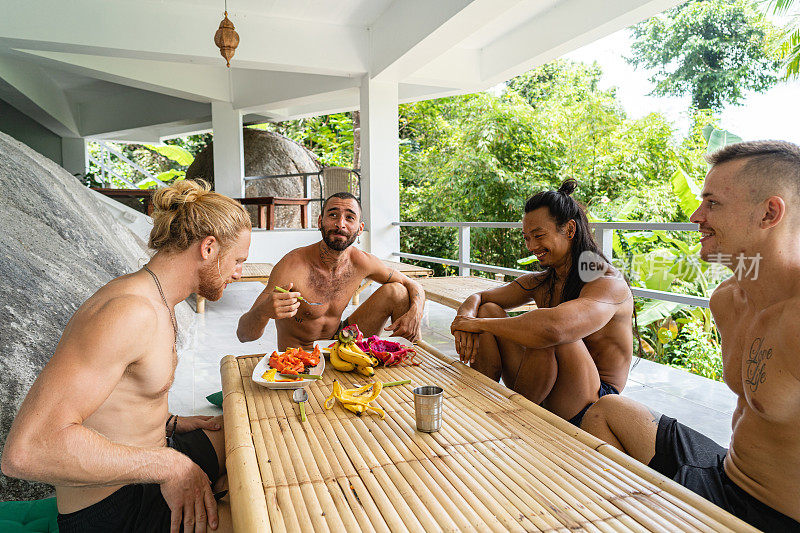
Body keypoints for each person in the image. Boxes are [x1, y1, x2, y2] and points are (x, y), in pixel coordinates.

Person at [2, 180, 252, 533]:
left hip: (154, 454)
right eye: (238, 260)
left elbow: (116, 400)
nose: (239, 273)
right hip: (114, 507)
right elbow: (26, 452)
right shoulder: (129, 312)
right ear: (208, 248)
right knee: (262, 522)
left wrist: (169, 422)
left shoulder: (158, 297)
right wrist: (171, 466)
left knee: (250, 437)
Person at [580, 141, 800, 530]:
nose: (697, 215)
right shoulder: (728, 300)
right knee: (606, 412)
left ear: (769, 213)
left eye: (712, 203)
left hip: (772, 515)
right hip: (725, 472)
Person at [450, 179, 634, 426]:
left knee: (548, 331)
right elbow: (480, 297)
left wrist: (479, 325)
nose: (532, 246)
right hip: (545, 387)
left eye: (539, 236)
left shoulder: (607, 282)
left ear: (569, 230)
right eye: (527, 238)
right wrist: (466, 319)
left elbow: (554, 328)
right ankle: (482, 397)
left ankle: (513, 418)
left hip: (593, 399)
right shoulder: (543, 281)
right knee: (490, 309)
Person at [237, 192, 425, 349]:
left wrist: (415, 313)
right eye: (333, 215)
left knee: (398, 292)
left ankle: (407, 359)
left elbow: (412, 283)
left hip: (341, 342)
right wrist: (263, 312)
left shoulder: (361, 262)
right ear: (320, 221)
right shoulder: (292, 266)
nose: (340, 224)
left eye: (349, 217)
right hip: (301, 358)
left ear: (360, 229)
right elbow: (244, 334)